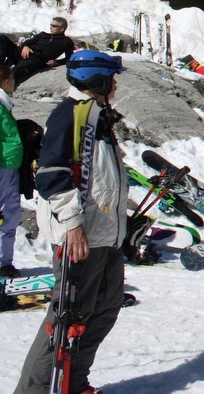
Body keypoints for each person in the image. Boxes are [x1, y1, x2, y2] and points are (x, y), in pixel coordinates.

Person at [16, 51, 127, 393]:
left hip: (105, 235)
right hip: (81, 236)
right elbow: (50, 175)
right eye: (112, 78)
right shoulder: (71, 115)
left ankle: (73, 382)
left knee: (104, 310)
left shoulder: (98, 117)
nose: (117, 84)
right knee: (66, 321)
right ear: (98, 81)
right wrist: (73, 222)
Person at [0, 17, 76, 88]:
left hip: (36, 60)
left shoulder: (66, 41)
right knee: (2, 38)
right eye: (50, 25)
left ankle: (3, 83)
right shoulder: (43, 35)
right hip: (23, 53)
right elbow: (27, 42)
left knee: (18, 69)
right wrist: (25, 46)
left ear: (62, 29)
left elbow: (70, 58)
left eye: (54, 26)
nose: (51, 27)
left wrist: (57, 62)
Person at [0, 65, 24, 277]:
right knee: (7, 214)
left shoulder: (3, 104)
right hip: (3, 166)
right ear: (6, 80)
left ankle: (4, 262)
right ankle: (3, 263)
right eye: (12, 78)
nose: (14, 82)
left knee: (9, 214)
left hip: (8, 165)